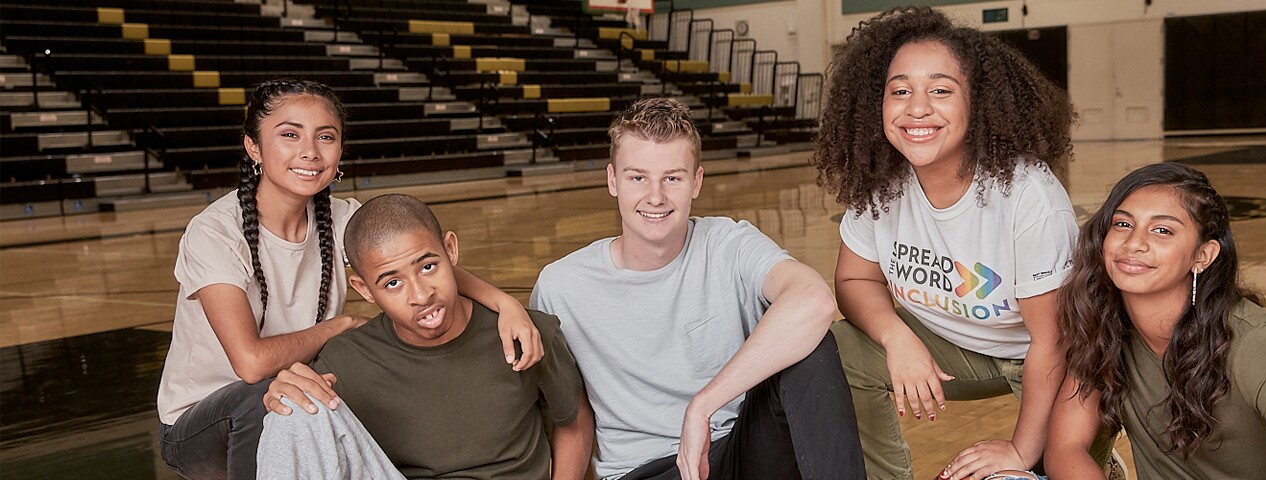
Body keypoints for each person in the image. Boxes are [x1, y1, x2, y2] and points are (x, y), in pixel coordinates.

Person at [155, 79, 543, 479]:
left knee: (335, 389)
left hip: (301, 390)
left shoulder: (341, 218)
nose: (310, 151)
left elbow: (419, 261)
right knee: (270, 398)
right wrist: (337, 326)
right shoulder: (216, 232)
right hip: (204, 422)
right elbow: (251, 365)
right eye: (290, 134)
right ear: (253, 147)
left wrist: (505, 304)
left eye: (326, 136)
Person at [812, 6, 1106, 480]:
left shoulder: (1027, 194)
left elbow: (1053, 341)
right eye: (900, 91)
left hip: (1060, 359)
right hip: (957, 345)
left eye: (941, 91)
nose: (917, 107)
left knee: (1040, 468)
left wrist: (1019, 450)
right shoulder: (881, 183)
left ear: (980, 103)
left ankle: (1086, 455)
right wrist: (896, 336)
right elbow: (853, 277)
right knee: (828, 351)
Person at [529, 97, 864, 480]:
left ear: (696, 182)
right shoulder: (561, 287)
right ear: (612, 180)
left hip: (736, 448)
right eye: (637, 177)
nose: (655, 196)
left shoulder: (728, 244)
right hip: (645, 471)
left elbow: (815, 300)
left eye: (672, 178)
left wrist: (702, 405)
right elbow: (563, 415)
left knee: (811, 345)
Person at [1046, 163, 1266, 479]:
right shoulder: (1104, 323)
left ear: (1203, 255)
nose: (1134, 243)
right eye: (1122, 224)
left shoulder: (1257, 344)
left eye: (1162, 230)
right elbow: (1065, 447)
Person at [252, 194, 591, 479]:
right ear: (365, 290)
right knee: (294, 409)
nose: (420, 294)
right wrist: (286, 391)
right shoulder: (345, 359)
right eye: (392, 283)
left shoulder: (526, 332)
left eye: (428, 266)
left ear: (451, 251)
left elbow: (573, 422)